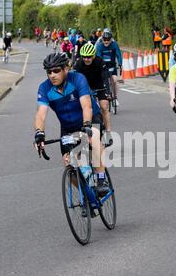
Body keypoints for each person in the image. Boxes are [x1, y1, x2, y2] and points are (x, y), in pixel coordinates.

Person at [34, 53, 109, 196]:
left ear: (66, 69)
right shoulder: (44, 88)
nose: (52, 75)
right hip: (68, 127)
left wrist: (86, 126)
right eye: (49, 72)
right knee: (69, 165)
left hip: (89, 118)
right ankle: (87, 196)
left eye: (56, 71)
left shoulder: (78, 79)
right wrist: (39, 133)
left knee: (94, 137)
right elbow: (40, 114)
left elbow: (86, 105)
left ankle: (101, 179)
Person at [74, 43, 113, 147]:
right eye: (84, 57)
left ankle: (108, 133)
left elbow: (105, 78)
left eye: (89, 57)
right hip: (86, 87)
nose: (86, 59)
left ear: (94, 55)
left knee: (104, 106)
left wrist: (107, 92)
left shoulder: (100, 62)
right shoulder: (78, 64)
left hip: (100, 85)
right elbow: (74, 80)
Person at [96, 29, 122, 106]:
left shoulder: (114, 45)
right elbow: (98, 57)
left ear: (111, 39)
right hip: (103, 66)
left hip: (112, 66)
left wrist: (120, 64)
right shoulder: (99, 46)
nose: (106, 41)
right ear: (102, 39)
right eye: (104, 39)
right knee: (103, 82)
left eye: (108, 39)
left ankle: (115, 97)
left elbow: (118, 55)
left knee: (114, 80)